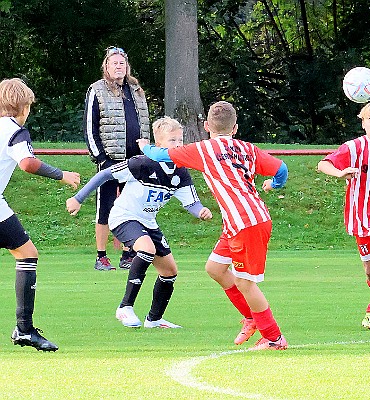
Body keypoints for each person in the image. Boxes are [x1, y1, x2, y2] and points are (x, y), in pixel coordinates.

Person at [138, 101, 289, 351]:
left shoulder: (204, 149)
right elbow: (281, 169)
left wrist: (145, 146)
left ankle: (273, 337)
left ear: (207, 126)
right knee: (215, 268)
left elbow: (160, 155)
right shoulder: (247, 148)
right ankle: (251, 318)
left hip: (246, 223)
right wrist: (274, 185)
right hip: (241, 221)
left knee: (246, 283)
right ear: (235, 128)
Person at [67, 117, 212, 328]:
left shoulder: (180, 172)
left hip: (148, 222)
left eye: (180, 140)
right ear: (159, 144)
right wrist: (78, 198)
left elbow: (191, 203)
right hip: (123, 217)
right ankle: (125, 307)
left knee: (169, 271)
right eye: (172, 141)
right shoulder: (143, 163)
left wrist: (201, 212)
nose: (178, 145)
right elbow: (105, 174)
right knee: (146, 249)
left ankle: (154, 319)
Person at [0, 78, 80, 351]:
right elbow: (28, 163)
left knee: (26, 253)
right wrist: (63, 175)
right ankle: (24, 330)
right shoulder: (14, 131)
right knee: (27, 255)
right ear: (23, 106)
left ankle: (24, 329)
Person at [317, 100, 370, 331]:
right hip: (361, 218)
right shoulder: (354, 148)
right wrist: (340, 172)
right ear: (363, 124)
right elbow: (323, 164)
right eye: (369, 119)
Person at [84, 46, 150, 271]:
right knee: (106, 207)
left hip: (136, 159)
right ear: (106, 66)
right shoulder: (97, 89)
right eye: (114, 63)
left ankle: (128, 254)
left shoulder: (136, 89)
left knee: (131, 206)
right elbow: (90, 126)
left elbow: (145, 123)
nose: (118, 66)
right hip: (111, 159)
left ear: (126, 66)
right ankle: (101, 256)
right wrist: (100, 157)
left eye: (122, 63)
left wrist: (147, 153)